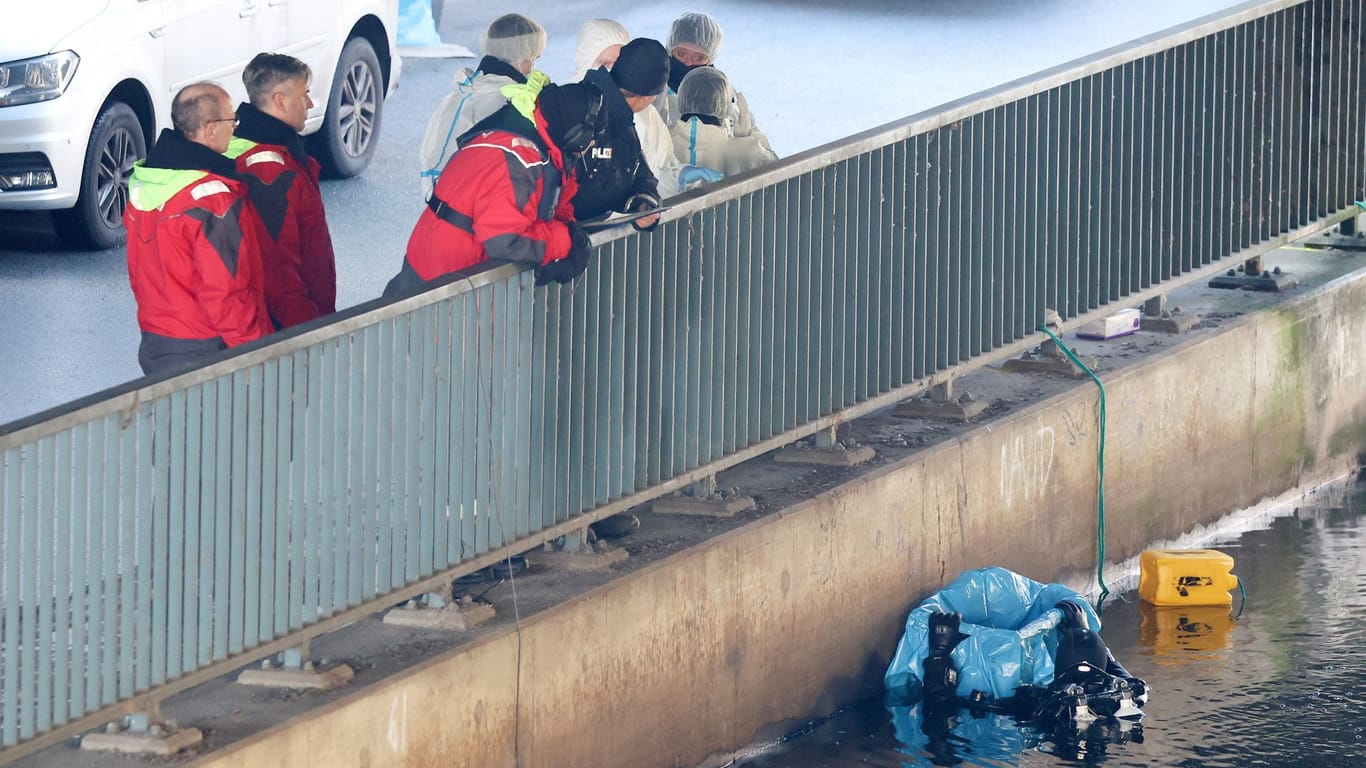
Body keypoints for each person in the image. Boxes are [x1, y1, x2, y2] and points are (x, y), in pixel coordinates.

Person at [385, 82, 604, 295]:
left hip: (435, 271)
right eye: (591, 137)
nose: (592, 144)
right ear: (575, 133)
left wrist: (569, 230)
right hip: (446, 287)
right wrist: (563, 241)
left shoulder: (530, 136)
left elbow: (551, 201)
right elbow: (505, 240)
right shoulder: (521, 161)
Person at [125, 83, 273, 375]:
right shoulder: (213, 200)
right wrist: (257, 355)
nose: (235, 128)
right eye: (232, 120)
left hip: (157, 342)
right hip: (207, 349)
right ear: (209, 129)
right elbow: (226, 294)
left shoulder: (149, 184)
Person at [228, 52, 336, 329]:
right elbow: (278, 272)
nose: (311, 103)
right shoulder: (268, 170)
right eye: (305, 95)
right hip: (290, 329)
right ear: (280, 101)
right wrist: (309, 330)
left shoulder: (265, 150)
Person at [573, 21, 721, 200]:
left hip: (639, 221)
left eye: (618, 63)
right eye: (604, 64)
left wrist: (678, 177)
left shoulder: (646, 114)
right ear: (585, 60)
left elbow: (659, 169)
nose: (611, 74)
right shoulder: (566, 108)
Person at [418, 13, 548, 199]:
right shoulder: (509, 101)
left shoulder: (457, 94)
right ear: (520, 57)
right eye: (533, 58)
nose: (533, 66)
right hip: (470, 203)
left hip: (435, 197)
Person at [573, 37, 670, 229]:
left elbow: (641, 177)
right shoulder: (587, 115)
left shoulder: (622, 121)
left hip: (578, 246)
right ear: (648, 97)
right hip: (560, 248)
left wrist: (642, 205)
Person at [657, 12, 759, 139]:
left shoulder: (720, 89)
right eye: (681, 53)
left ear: (710, 59)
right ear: (670, 49)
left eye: (698, 57)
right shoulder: (654, 89)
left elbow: (744, 129)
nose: (688, 63)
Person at [671, 67, 777, 180]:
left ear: (681, 97)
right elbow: (777, 172)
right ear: (727, 105)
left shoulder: (661, 142)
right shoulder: (750, 151)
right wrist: (751, 133)